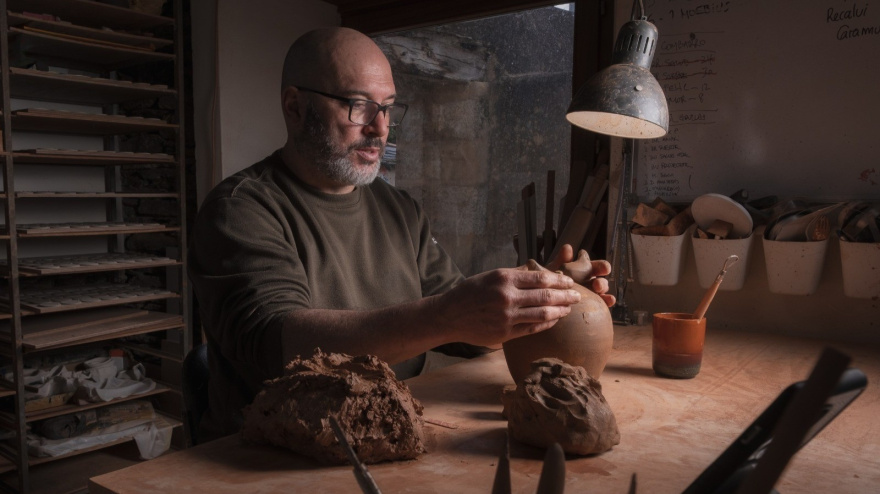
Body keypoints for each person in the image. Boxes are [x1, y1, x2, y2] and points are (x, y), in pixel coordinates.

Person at [188, 27, 615, 442]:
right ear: (295, 106)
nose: (380, 128)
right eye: (358, 106)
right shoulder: (241, 210)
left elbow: (470, 330)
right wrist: (448, 315)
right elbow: (277, 347)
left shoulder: (398, 209)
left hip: (394, 428)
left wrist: (540, 296)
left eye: (388, 107)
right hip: (275, 455)